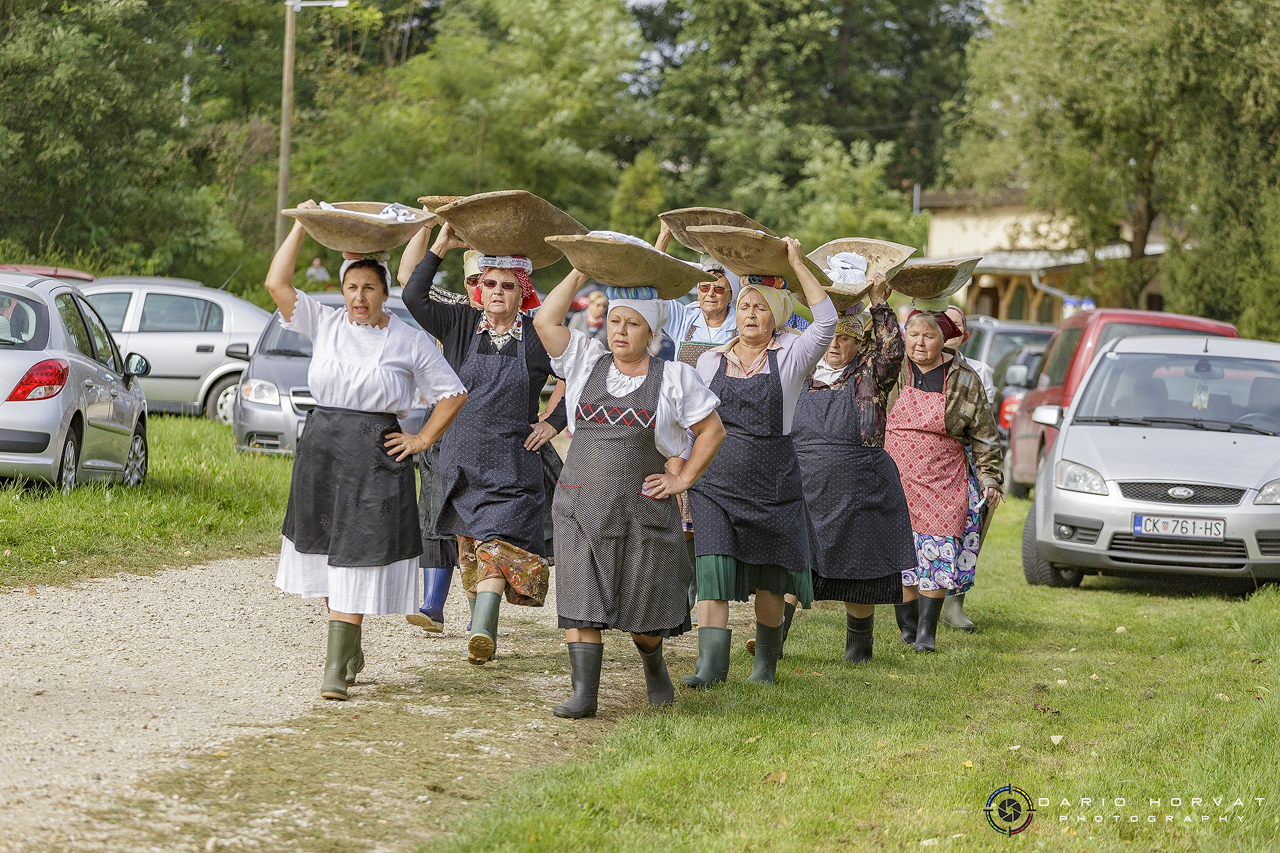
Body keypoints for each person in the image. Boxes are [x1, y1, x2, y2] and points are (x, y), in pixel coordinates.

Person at [266, 201, 467, 700]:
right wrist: (299, 225)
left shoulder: (408, 339)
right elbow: (276, 283)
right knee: (329, 553)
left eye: (370, 288)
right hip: (323, 448)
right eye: (352, 288)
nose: (360, 297)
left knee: (356, 557)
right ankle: (349, 648)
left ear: (384, 292)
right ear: (343, 291)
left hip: (376, 456)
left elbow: (452, 392)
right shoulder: (324, 323)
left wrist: (422, 439)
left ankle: (334, 668)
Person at [534, 260, 725, 718]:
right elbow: (544, 320)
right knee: (581, 601)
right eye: (615, 321)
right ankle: (584, 695)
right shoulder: (584, 360)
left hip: (641, 510)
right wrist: (581, 270)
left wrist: (683, 478)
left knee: (644, 616)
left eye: (632, 324)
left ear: (651, 331)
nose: (620, 331)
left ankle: (652, 659)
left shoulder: (675, 378)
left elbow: (712, 430)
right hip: (579, 502)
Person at [402, 221, 567, 665]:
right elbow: (413, 297)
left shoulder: (537, 336)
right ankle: (483, 635)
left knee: (496, 546)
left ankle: (481, 628)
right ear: (480, 289)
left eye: (507, 286)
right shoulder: (459, 324)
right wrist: (440, 244)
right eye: (489, 283)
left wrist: (554, 421)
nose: (496, 291)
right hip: (460, 462)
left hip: (513, 465)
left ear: (522, 293)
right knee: (470, 551)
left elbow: (587, 375)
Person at [682, 237, 837, 687]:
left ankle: (764, 666)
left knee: (771, 576)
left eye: (761, 308)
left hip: (773, 482)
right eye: (745, 306)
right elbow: (690, 422)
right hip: (714, 481)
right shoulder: (709, 361)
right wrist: (681, 466)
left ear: (778, 315)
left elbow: (826, 321)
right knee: (712, 565)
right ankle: (710, 668)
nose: (750, 314)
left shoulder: (791, 357)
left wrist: (795, 263)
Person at [791, 268, 918, 663]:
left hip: (860, 485)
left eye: (844, 336)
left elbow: (894, 352)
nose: (834, 343)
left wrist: (880, 304)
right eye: (829, 335)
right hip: (806, 485)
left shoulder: (869, 374)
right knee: (791, 568)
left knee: (859, 574)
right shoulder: (803, 373)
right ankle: (769, 643)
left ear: (858, 341)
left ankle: (859, 650)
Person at [885, 311, 1003, 653]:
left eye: (929, 336)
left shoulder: (965, 379)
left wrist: (990, 477)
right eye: (914, 335)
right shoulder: (892, 368)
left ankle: (926, 632)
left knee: (936, 552)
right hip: (896, 477)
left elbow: (985, 435)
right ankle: (907, 630)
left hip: (942, 477)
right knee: (903, 556)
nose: (920, 343)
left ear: (944, 339)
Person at [940, 304, 994, 633]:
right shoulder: (917, 366)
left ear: (965, 335)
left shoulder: (978, 371)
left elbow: (982, 427)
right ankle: (919, 600)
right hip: (927, 463)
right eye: (942, 323)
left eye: (956, 325)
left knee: (969, 527)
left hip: (966, 461)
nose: (949, 330)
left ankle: (954, 602)